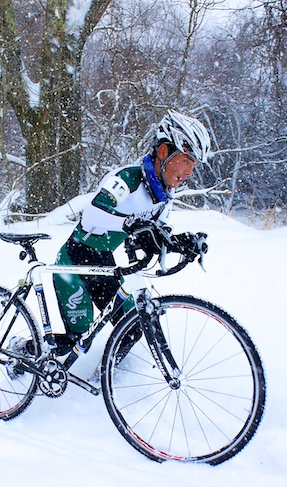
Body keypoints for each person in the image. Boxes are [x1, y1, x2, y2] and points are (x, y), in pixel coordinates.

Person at [51, 109, 211, 354]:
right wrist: (132, 224)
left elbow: (157, 232)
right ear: (163, 152)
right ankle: (23, 352)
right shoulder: (128, 178)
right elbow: (93, 214)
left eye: (194, 165)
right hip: (73, 263)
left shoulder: (163, 195)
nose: (190, 172)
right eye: (187, 161)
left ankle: (103, 382)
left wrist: (180, 243)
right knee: (71, 341)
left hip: (103, 263)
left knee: (132, 327)